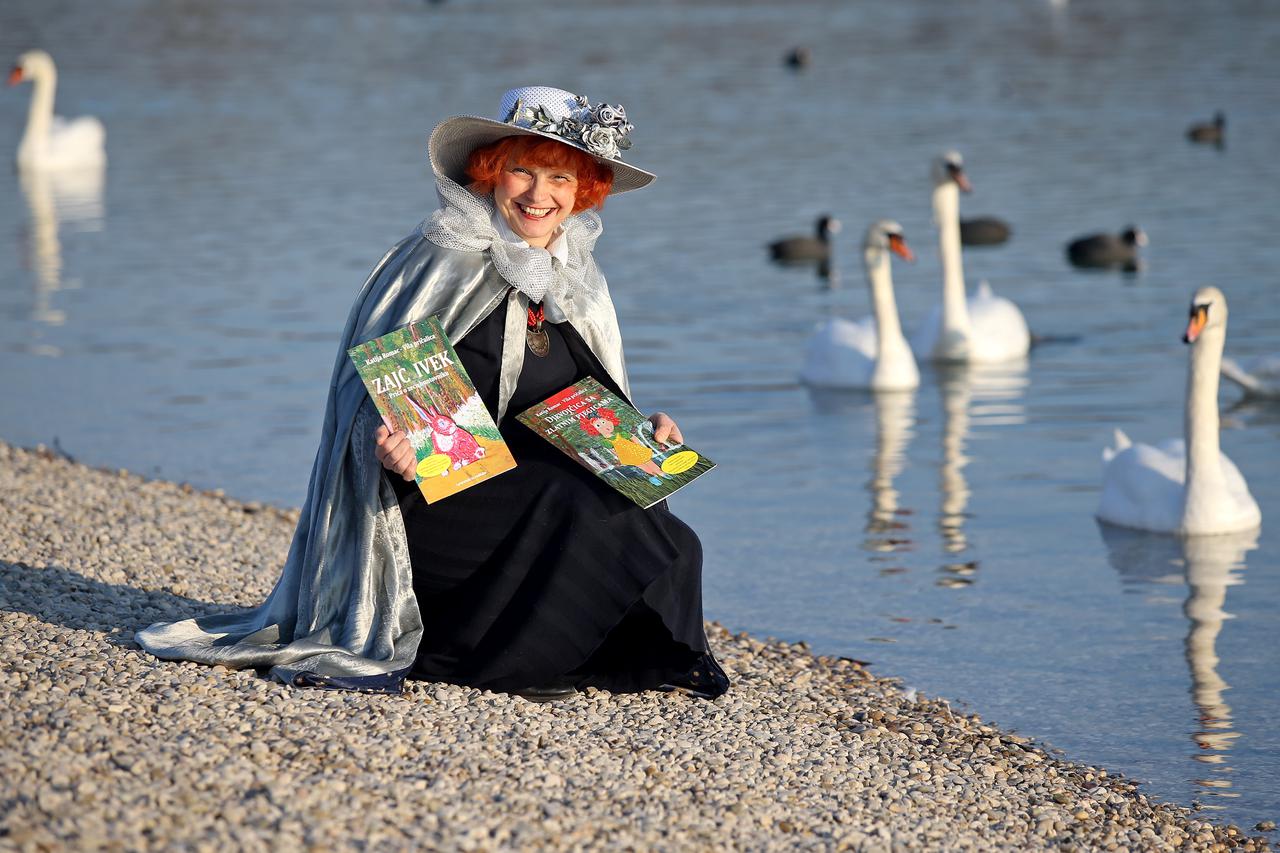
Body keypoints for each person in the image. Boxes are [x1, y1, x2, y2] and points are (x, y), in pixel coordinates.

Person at [135, 86, 728, 702]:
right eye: (521, 170)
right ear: (490, 172)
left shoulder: (579, 279)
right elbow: (363, 402)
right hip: (432, 505)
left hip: (532, 494)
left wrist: (642, 430)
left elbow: (588, 402)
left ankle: (642, 653)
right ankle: (492, 655)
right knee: (570, 504)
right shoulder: (436, 260)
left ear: (583, 191)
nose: (538, 194)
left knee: (657, 521)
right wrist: (390, 452)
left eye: (559, 177)